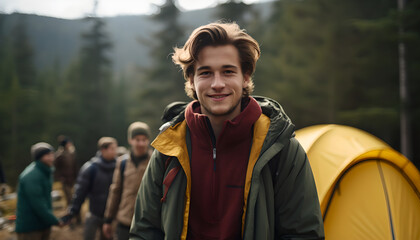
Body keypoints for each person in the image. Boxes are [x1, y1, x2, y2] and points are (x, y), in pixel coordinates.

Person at [130, 22, 325, 239]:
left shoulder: (281, 148)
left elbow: (303, 233)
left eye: (228, 71)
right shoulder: (169, 147)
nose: (217, 83)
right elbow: (144, 231)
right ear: (191, 81)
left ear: (246, 77)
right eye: (205, 73)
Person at [102, 122, 152, 240]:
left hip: (148, 222)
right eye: (137, 139)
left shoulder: (155, 162)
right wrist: (108, 219)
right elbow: (116, 191)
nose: (141, 143)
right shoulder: (122, 162)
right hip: (124, 221)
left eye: (144, 139)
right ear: (130, 140)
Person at [66, 137, 117, 240]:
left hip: (111, 217)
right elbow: (80, 191)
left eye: (115, 148)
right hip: (94, 214)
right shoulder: (91, 168)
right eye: (112, 149)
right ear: (103, 150)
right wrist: (73, 211)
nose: (115, 151)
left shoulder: (119, 167)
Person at [15, 142, 64, 240]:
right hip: (30, 228)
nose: (51, 158)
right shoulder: (31, 176)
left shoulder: (46, 171)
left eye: (52, 154)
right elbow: (38, 204)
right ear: (39, 157)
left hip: (43, 224)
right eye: (47, 155)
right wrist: (54, 220)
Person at [54, 135, 77, 206]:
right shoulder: (59, 155)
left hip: (72, 179)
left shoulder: (71, 153)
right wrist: (60, 177)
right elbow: (55, 168)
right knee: (69, 198)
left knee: (75, 197)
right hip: (65, 179)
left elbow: (74, 166)